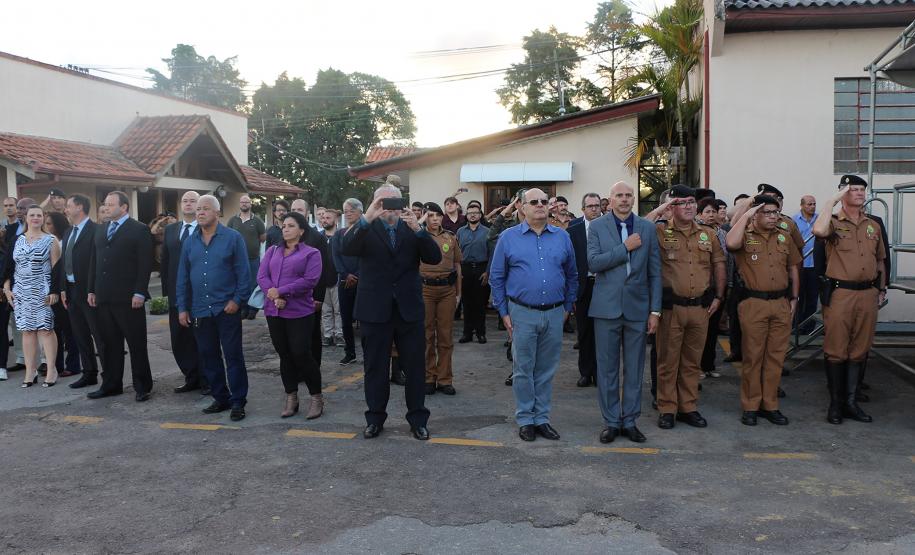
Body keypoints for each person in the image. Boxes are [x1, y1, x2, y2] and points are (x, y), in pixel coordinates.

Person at [340, 183, 441, 441]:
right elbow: (347, 248)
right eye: (383, 203)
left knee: (415, 368)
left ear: (402, 204)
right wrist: (368, 216)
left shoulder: (412, 228)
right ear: (375, 204)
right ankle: (375, 418)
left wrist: (418, 229)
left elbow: (434, 257)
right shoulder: (366, 227)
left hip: (408, 309)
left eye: (394, 203)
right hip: (374, 310)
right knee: (375, 367)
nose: (390, 209)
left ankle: (418, 419)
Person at [490, 188, 577, 442]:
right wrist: (504, 312)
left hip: (554, 313)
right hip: (522, 313)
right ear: (522, 208)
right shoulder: (508, 238)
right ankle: (526, 418)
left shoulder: (562, 237)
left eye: (544, 201)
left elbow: (572, 275)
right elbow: (497, 277)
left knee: (546, 370)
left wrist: (568, 307)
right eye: (534, 202)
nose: (540, 205)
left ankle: (542, 418)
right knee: (523, 369)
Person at [588, 181, 661, 444]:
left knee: (634, 368)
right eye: (619, 195)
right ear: (610, 199)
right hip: (606, 308)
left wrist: (655, 311)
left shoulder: (647, 228)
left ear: (634, 199)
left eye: (629, 195)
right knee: (607, 369)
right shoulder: (597, 226)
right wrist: (625, 248)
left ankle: (629, 421)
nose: (624, 199)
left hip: (638, 308)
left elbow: (655, 272)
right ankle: (610, 421)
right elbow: (594, 262)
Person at [812, 175, 886, 425]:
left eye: (862, 189)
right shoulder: (832, 222)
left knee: (859, 349)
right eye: (852, 189)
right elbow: (818, 231)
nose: (859, 193)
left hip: (867, 294)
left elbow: (879, 260)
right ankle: (836, 404)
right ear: (843, 194)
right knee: (836, 349)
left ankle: (851, 403)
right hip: (841, 293)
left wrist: (881, 288)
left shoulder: (873, 225)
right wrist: (831, 201)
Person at [654, 186, 726, 430]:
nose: (688, 206)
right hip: (671, 308)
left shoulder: (708, 234)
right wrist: (663, 208)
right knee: (667, 361)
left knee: (692, 361)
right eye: (681, 202)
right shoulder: (660, 231)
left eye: (691, 202)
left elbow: (718, 264)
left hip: (700, 308)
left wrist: (719, 296)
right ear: (671, 206)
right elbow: (638, 227)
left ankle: (688, 407)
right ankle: (667, 407)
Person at [726, 195, 800, 426]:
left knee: (775, 358)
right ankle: (750, 406)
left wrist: (794, 298)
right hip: (753, 303)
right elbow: (730, 243)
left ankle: (770, 405)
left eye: (775, 212)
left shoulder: (784, 236)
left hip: (780, 303)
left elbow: (793, 268)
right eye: (766, 212)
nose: (772, 216)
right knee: (753, 357)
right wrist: (748, 211)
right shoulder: (744, 237)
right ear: (756, 214)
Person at [176, 195, 251, 421]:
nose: (200, 212)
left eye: (205, 209)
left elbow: (244, 274)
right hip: (200, 309)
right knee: (209, 356)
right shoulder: (190, 242)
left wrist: (237, 300)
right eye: (198, 209)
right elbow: (183, 278)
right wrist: (182, 307)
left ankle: (238, 401)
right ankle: (221, 397)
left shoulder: (233, 238)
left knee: (233, 356)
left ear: (217, 213)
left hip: (226, 308)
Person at [86, 192, 153, 402]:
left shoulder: (139, 229)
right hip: (104, 297)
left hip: (129, 298)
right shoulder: (101, 229)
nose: (106, 208)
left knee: (136, 344)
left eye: (111, 204)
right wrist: (91, 289)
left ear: (124, 207)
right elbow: (93, 262)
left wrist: (140, 291)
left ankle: (142, 386)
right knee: (109, 344)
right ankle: (111, 385)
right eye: (105, 204)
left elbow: (145, 264)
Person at [258, 211, 324, 419]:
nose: (285, 229)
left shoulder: (311, 253)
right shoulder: (272, 251)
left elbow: (310, 280)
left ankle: (316, 397)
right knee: (284, 354)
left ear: (301, 230)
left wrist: (282, 291)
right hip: (274, 310)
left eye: (291, 225)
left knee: (301, 353)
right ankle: (291, 397)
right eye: (284, 225)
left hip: (300, 312)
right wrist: (272, 293)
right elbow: (262, 275)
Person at [3, 205, 61, 387]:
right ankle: (30, 370)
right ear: (26, 218)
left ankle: (51, 369)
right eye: (32, 215)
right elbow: (8, 268)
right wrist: (7, 289)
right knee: (27, 331)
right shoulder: (16, 240)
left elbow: (56, 270)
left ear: (43, 218)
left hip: (42, 291)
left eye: (39, 215)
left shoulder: (51, 240)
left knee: (46, 330)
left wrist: (54, 291)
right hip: (21, 292)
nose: (35, 218)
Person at [160, 191, 207, 395]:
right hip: (176, 293)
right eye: (185, 201)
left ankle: (208, 379)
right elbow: (165, 261)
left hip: (199, 293)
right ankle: (191, 377)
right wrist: (166, 292)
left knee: (202, 338)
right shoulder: (171, 229)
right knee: (180, 338)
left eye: (193, 201)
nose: (188, 204)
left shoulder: (206, 229)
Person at [59, 194, 102, 390]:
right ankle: (89, 374)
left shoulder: (96, 230)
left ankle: (109, 376)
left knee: (99, 334)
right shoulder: (68, 232)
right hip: (71, 290)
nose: (66, 209)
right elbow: (63, 263)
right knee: (80, 335)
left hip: (89, 291)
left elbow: (98, 263)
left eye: (68, 205)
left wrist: (93, 289)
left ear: (80, 208)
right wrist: (62, 289)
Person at [419, 202, 462, 395]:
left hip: (447, 290)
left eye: (437, 215)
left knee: (445, 336)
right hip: (425, 289)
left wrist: (459, 293)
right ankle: (428, 377)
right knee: (427, 335)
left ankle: (445, 379)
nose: (435, 219)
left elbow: (457, 265)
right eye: (430, 215)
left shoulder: (450, 237)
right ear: (424, 217)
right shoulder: (418, 237)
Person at [289, 199, 335, 377]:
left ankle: (313, 368)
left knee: (312, 334)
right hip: (289, 296)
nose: (295, 212)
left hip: (310, 297)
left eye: (299, 209)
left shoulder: (317, 238)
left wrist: (319, 297)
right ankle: (296, 368)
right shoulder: (282, 237)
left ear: (307, 213)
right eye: (293, 209)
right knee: (293, 336)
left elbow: (324, 270)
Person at [568, 193, 603, 387]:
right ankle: (585, 372)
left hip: (603, 286)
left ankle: (600, 373)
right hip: (582, 286)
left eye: (597, 206)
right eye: (590, 206)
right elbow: (569, 262)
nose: (594, 209)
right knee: (584, 332)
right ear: (583, 209)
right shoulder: (573, 229)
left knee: (602, 333)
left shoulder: (609, 227)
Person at [45, 210, 81, 378]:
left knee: (68, 330)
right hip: (52, 289)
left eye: (49, 223)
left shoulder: (63, 242)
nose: (46, 226)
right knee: (55, 329)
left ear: (57, 224)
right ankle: (56, 365)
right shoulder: (52, 240)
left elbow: (59, 270)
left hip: (61, 290)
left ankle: (73, 365)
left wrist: (58, 290)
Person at [697, 198, 731, 378]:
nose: (711, 215)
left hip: (719, 286)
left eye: (714, 212)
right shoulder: (697, 231)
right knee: (700, 329)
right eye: (707, 212)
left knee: (713, 329)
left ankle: (709, 365)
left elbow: (726, 260)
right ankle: (697, 367)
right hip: (703, 287)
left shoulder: (722, 233)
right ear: (699, 214)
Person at [226, 195, 266, 320]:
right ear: (239, 204)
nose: (244, 204)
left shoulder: (257, 220)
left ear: (250, 204)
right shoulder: (233, 220)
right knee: (240, 284)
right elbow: (228, 237)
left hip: (253, 258)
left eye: (246, 202)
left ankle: (253, 309)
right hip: (236, 259)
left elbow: (263, 237)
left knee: (253, 284)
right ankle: (243, 308)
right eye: (242, 202)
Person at [333, 199, 362, 364]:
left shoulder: (366, 232)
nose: (348, 213)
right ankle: (350, 352)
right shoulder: (339, 234)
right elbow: (336, 256)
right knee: (345, 318)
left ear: (360, 212)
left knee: (365, 318)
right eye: (346, 210)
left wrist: (357, 275)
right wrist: (346, 274)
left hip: (363, 280)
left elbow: (366, 257)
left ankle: (368, 350)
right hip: (344, 280)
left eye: (352, 210)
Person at [456, 203, 489, 344]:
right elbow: (456, 254)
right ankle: (467, 333)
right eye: (470, 213)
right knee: (467, 303)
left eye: (475, 212)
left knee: (480, 304)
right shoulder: (460, 232)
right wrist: (458, 272)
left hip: (482, 269)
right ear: (466, 216)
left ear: (480, 215)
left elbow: (493, 253)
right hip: (465, 270)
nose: (473, 215)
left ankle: (481, 333)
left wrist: (488, 272)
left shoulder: (488, 231)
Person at [793, 195, 819, 334]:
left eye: (814, 204)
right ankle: (796, 327)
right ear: (802, 205)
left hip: (815, 266)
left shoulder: (820, 219)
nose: (813, 206)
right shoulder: (794, 221)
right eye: (809, 204)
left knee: (812, 298)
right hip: (799, 266)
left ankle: (809, 329)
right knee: (798, 297)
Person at [318, 209, 343, 347]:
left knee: (339, 310)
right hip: (322, 278)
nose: (324, 220)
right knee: (326, 310)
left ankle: (339, 335)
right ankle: (328, 335)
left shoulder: (341, 235)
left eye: (328, 217)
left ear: (335, 220)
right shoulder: (319, 237)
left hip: (338, 278)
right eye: (323, 218)